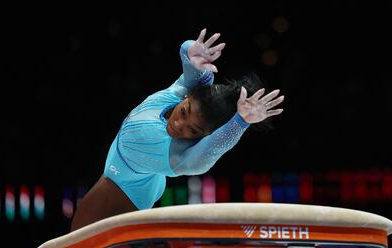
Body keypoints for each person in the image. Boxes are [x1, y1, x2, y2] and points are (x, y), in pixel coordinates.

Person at [71, 29, 284, 231]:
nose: (179, 126)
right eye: (183, 112)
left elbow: (215, 146)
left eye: (193, 131)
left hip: (125, 186)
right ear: (187, 97)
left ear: (204, 135)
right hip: (137, 173)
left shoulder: (177, 156)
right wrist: (191, 49)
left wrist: (240, 122)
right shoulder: (176, 92)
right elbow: (192, 65)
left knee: (76, 238)